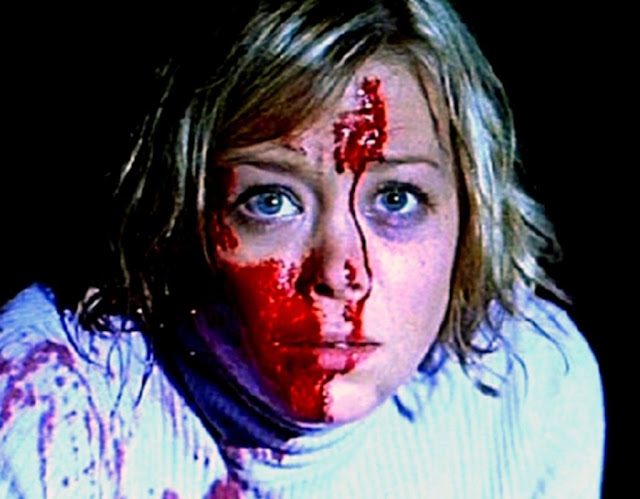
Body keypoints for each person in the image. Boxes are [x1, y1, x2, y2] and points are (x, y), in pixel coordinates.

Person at [0, 1, 604, 497]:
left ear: (471, 211)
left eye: (396, 198)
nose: (341, 273)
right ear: (173, 211)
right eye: (270, 201)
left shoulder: (527, 386)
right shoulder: (47, 399)